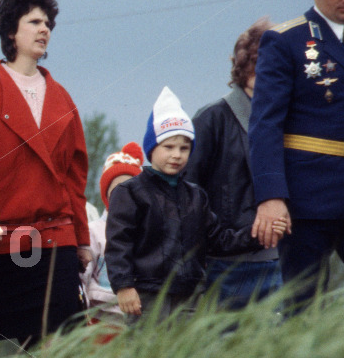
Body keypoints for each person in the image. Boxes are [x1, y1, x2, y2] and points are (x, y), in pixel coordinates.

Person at [0, 0, 91, 358]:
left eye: (48, 22)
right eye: (34, 21)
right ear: (11, 31)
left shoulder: (64, 99)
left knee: (59, 344)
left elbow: (73, 178)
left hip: (56, 238)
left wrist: (81, 238)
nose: (44, 28)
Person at [250, 0, 344, 308]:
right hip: (306, 199)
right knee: (302, 308)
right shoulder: (285, 42)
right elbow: (265, 123)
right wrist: (271, 197)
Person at [106, 88, 283, 320]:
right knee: (146, 353)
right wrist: (123, 286)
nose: (177, 154)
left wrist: (257, 235)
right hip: (146, 296)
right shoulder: (130, 192)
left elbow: (218, 240)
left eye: (184, 148)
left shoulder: (196, 196)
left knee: (185, 355)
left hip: (189, 296)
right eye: (168, 147)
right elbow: (119, 245)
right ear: (151, 148)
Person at [185, 18, 283, 309]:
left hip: (281, 260)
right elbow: (188, 195)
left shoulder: (289, 119)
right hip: (225, 265)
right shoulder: (212, 119)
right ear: (246, 66)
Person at [83, 142, 144, 330]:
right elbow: (83, 273)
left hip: (139, 313)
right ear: (106, 194)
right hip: (102, 314)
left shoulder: (148, 231)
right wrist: (81, 308)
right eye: (117, 189)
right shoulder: (94, 230)